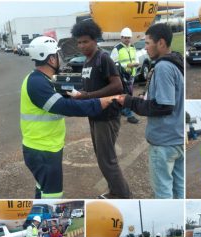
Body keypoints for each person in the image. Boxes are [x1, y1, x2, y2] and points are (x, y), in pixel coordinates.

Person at [20, 36, 114, 199]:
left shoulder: (41, 79)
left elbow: (61, 101)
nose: (60, 59)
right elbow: (65, 107)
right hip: (43, 150)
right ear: (50, 59)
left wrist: (78, 95)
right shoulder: (37, 84)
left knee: (43, 188)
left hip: (44, 147)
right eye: (57, 55)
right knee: (52, 196)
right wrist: (98, 103)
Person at [116, 23, 184, 199]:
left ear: (160, 43)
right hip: (177, 138)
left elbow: (164, 106)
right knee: (179, 190)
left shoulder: (163, 67)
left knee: (163, 194)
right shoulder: (175, 63)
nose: (145, 48)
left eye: (147, 43)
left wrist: (130, 101)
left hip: (164, 142)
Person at [70, 20, 131, 199]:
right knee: (102, 158)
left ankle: (123, 195)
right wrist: (80, 93)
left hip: (107, 116)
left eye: (85, 41)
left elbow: (117, 85)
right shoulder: (86, 62)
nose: (81, 45)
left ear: (95, 40)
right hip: (94, 114)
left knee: (107, 160)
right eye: (79, 42)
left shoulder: (103, 58)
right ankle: (115, 191)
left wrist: (88, 96)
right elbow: (90, 89)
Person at [110, 27, 139, 124]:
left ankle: (123, 110)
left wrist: (135, 64)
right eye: (125, 37)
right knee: (127, 95)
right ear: (121, 37)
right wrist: (127, 65)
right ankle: (129, 114)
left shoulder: (132, 47)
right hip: (122, 76)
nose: (127, 39)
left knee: (127, 94)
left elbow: (136, 59)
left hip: (131, 75)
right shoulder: (117, 48)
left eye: (128, 37)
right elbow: (113, 63)